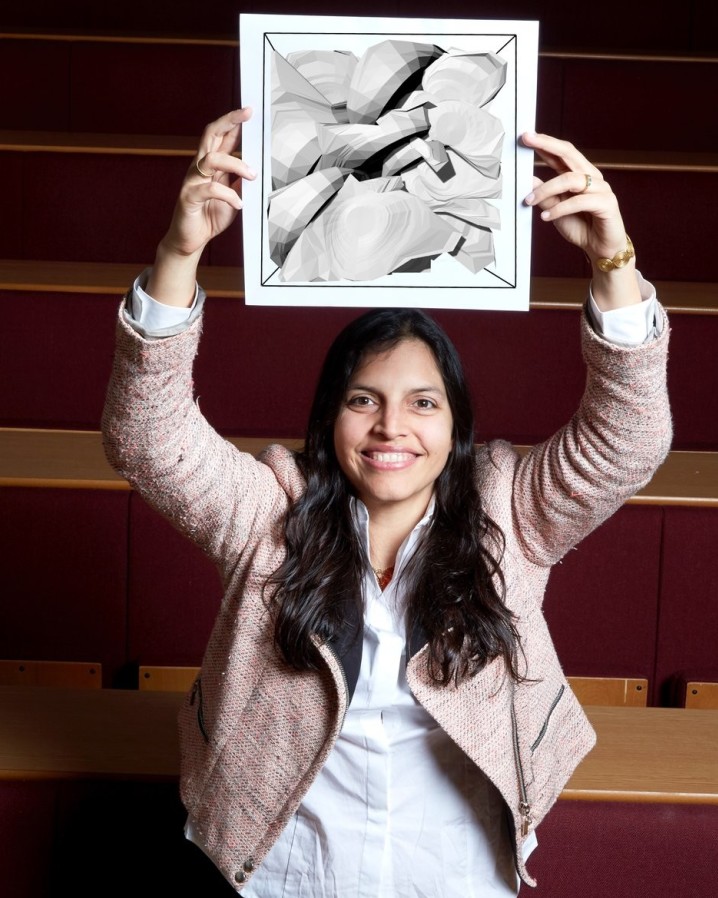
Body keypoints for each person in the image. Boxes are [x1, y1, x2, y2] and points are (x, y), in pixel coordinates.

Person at [102, 108, 671, 896]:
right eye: (363, 400)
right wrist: (179, 252)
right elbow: (145, 436)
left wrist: (613, 260)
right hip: (283, 871)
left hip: (455, 870)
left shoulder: (511, 507)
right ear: (328, 418)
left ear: (458, 426)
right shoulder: (270, 512)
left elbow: (629, 439)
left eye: (424, 404)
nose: (392, 427)